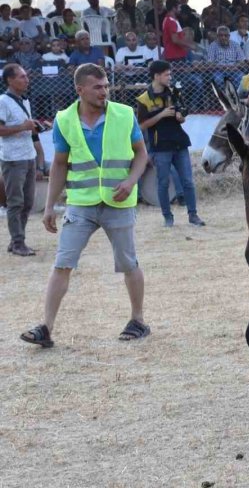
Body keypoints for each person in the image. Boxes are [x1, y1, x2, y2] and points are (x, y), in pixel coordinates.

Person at [20, 63, 150, 348]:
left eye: (106, 86)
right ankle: (46, 328)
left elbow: (141, 154)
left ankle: (138, 320)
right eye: (97, 87)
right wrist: (49, 206)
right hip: (80, 203)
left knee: (128, 262)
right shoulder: (64, 120)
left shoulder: (124, 114)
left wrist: (130, 181)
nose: (104, 92)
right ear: (80, 90)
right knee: (62, 263)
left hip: (118, 202)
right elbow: (59, 164)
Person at [136, 60, 205, 228]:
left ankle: (193, 215)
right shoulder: (144, 99)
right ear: (156, 76)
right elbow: (142, 125)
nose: (170, 77)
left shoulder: (174, 92)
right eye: (167, 74)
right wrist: (161, 115)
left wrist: (180, 117)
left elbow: (182, 114)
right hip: (160, 147)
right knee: (163, 183)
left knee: (188, 181)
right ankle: (167, 217)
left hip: (179, 143)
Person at [0, 63, 41, 256]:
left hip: (28, 155)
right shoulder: (3, 101)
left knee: (27, 202)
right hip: (13, 158)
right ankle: (18, 242)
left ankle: (17, 240)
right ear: (10, 80)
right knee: (16, 202)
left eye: (26, 76)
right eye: (22, 77)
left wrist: (33, 127)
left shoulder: (24, 101)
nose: (27, 80)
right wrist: (23, 127)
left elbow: (25, 127)